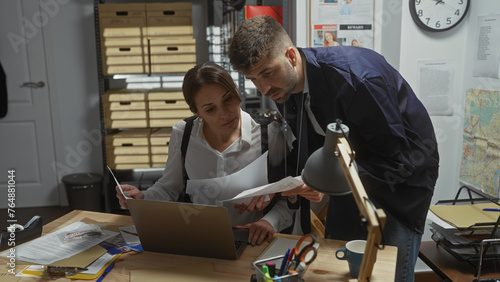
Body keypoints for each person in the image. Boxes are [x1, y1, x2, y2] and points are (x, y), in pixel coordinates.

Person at [228, 15, 439, 282]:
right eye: (253, 79)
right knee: (340, 260)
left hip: (400, 177)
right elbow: (313, 145)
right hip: (348, 171)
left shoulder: (358, 79)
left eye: (268, 73)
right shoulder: (283, 89)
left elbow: (397, 160)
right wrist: (284, 188)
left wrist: (326, 184)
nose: (264, 88)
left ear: (291, 56)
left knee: (389, 270)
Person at [115, 62, 293, 246]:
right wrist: (141, 198)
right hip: (198, 240)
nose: (224, 114)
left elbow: (290, 195)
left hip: (253, 242)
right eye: (210, 109)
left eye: (228, 99)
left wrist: (270, 221)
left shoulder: (269, 133)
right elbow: (169, 188)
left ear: (237, 91)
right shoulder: (183, 134)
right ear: (197, 112)